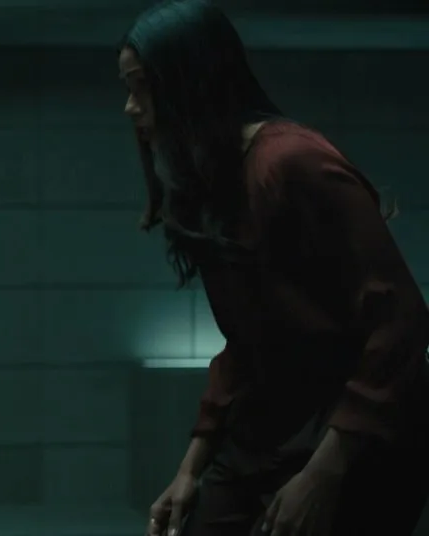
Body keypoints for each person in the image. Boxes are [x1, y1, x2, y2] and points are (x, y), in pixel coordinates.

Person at [117, 2, 429, 536]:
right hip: (271, 429)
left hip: (357, 432)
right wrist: (189, 469)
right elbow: (247, 343)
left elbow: (399, 321)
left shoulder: (291, 163)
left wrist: (323, 475)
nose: (130, 107)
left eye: (142, 87)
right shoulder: (216, 177)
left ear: (189, 82)